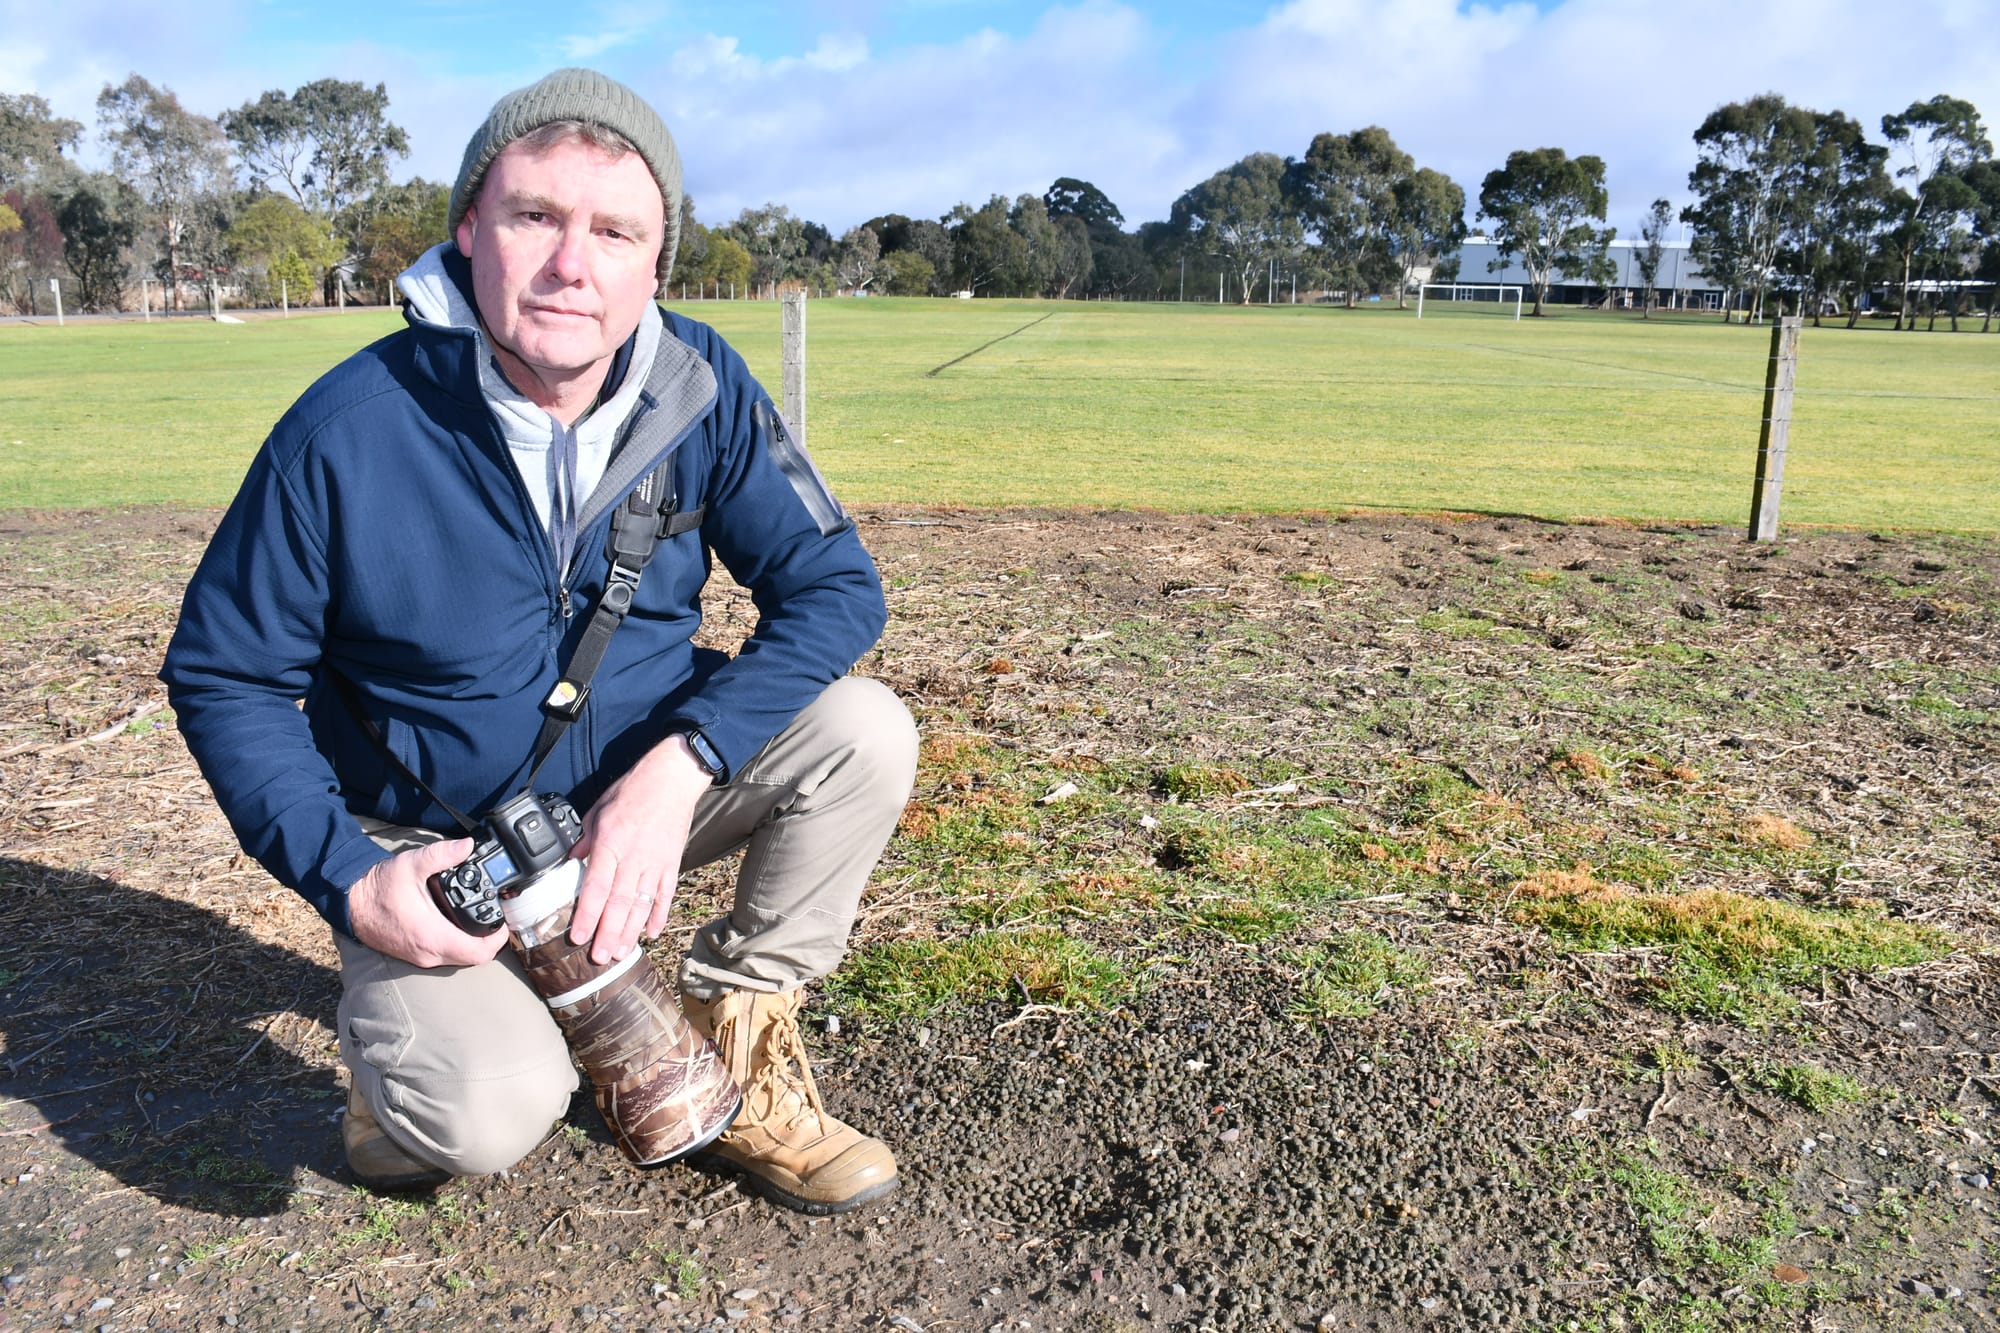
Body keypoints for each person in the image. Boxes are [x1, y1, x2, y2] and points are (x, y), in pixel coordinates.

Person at [160, 68, 917, 1215]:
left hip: (626, 803)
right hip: (435, 850)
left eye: (617, 231)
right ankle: (395, 1073)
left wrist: (681, 768)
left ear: (654, 261)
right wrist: (354, 880)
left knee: (860, 732)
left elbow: (835, 589)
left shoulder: (699, 387)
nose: (575, 264)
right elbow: (226, 672)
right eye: (535, 217)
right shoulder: (346, 432)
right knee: (487, 1110)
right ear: (468, 228)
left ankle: (733, 1038)